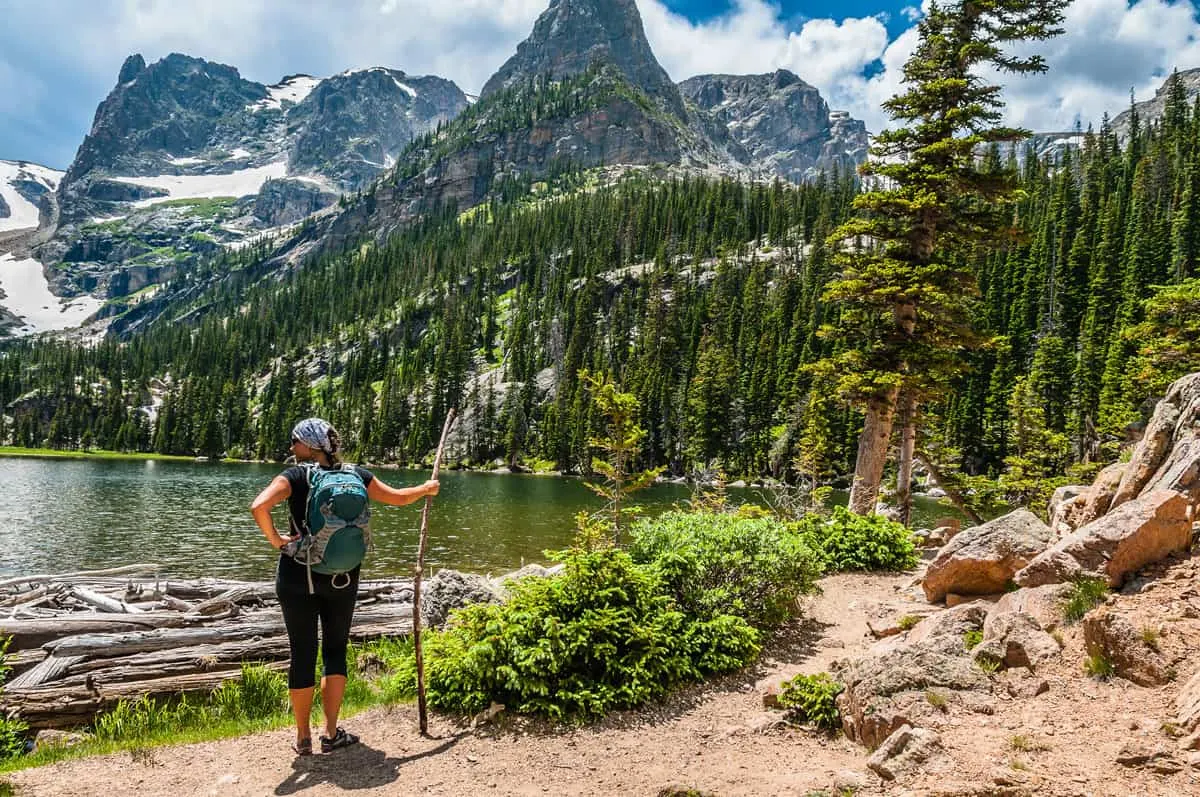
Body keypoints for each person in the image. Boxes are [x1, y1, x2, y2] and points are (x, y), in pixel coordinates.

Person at [250, 417, 438, 756]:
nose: (292, 448)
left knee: (302, 654)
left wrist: (278, 541)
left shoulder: (296, 475)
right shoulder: (356, 474)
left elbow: (258, 506)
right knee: (335, 651)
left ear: (309, 446)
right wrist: (426, 489)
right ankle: (331, 732)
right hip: (343, 578)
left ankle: (303, 737)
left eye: (296, 441)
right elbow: (397, 499)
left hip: (297, 577)